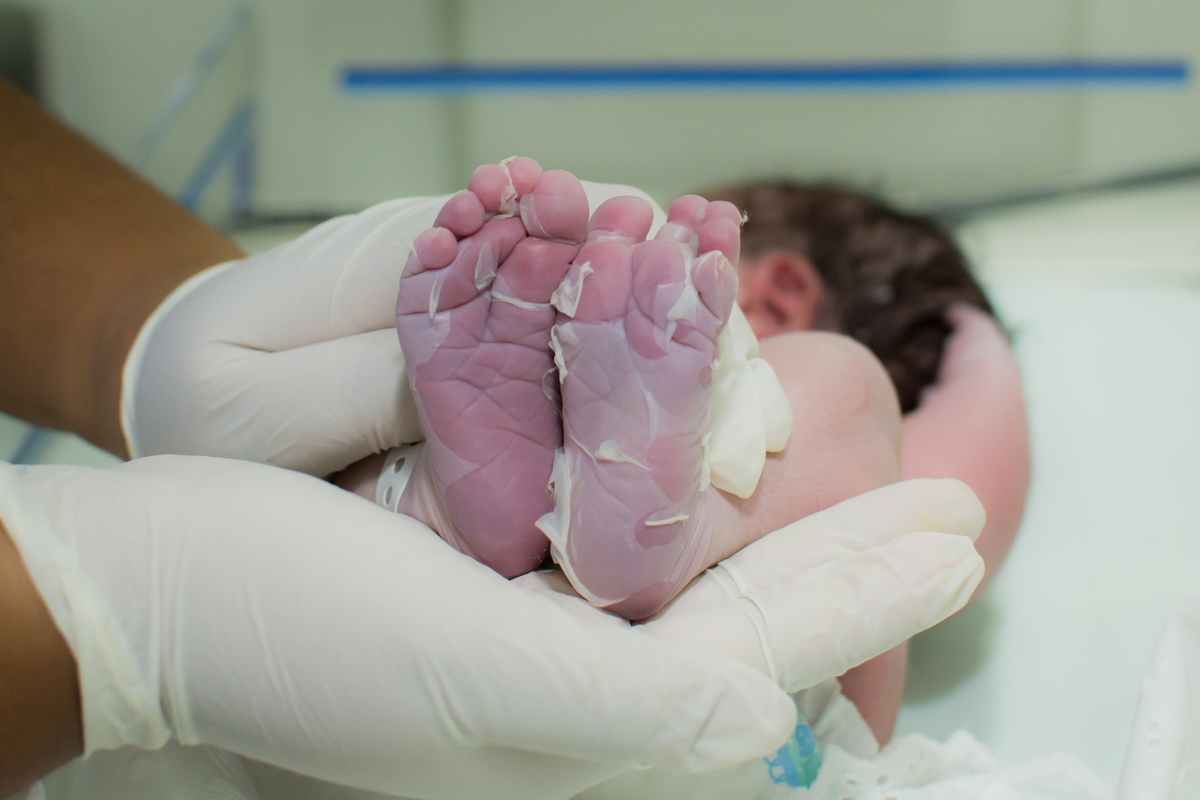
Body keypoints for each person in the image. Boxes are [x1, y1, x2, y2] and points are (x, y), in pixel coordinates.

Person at [0, 77, 987, 798]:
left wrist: (134, 609)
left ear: (768, 287)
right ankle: (631, 522)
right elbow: (860, 722)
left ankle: (445, 499)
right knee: (847, 400)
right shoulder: (836, 471)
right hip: (705, 730)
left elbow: (231, 587)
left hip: (306, 704)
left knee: (336, 490)